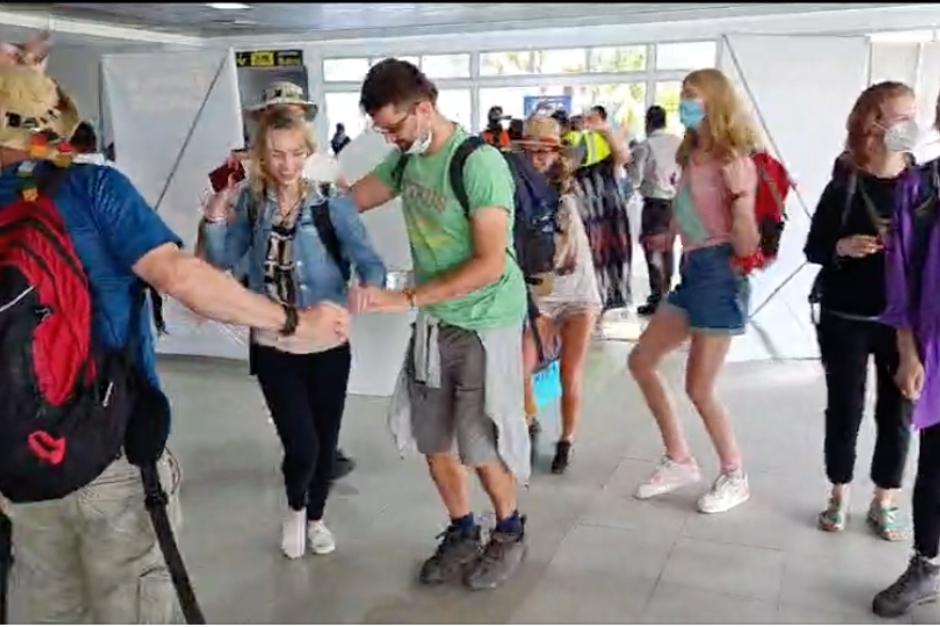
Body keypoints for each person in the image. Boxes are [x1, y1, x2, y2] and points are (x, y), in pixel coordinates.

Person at [0, 62, 347, 624]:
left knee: (46, 602)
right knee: (132, 598)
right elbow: (182, 277)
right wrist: (290, 320)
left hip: (15, 457)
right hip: (108, 447)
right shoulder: (91, 187)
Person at [349, 58, 529, 590]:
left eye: (396, 126)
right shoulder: (406, 161)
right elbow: (350, 200)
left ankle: (510, 530)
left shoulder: (477, 163)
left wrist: (403, 297)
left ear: (424, 108)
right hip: (434, 318)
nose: (390, 138)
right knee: (434, 438)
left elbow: (489, 263)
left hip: (483, 319)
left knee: (479, 440)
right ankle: (461, 530)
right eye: (381, 130)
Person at [201, 110, 385, 559]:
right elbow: (224, 259)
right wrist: (214, 217)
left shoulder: (330, 204)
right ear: (262, 156)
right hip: (273, 340)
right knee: (300, 442)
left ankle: (316, 518)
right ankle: (295, 508)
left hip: (327, 341)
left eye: (296, 153)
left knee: (324, 441)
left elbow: (369, 259)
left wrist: (366, 288)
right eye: (276, 155)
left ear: (309, 153)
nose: (287, 164)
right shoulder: (252, 203)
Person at [203, 80, 358, 480]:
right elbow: (221, 235)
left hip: (320, 301)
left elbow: (344, 223)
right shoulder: (241, 170)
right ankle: (300, 445)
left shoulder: (324, 166)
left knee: (322, 383)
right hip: (266, 295)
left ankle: (318, 448)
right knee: (283, 378)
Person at [627, 68, 760, 515]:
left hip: (722, 275)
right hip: (693, 270)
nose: (684, 102)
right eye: (682, 95)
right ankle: (679, 458)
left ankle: (734, 475)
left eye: (692, 95)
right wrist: (670, 239)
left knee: (700, 388)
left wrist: (742, 200)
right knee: (641, 360)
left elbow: (747, 244)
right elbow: (696, 215)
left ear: (715, 102)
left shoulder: (734, 159)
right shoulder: (692, 154)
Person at [805, 81, 917, 542]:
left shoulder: (922, 184)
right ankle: (839, 492)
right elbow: (814, 248)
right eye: (901, 116)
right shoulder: (845, 182)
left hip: (902, 324)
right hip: (844, 316)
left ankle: (884, 498)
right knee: (845, 408)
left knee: (898, 412)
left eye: (915, 115)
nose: (910, 126)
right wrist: (842, 246)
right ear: (873, 122)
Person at [872, 91, 940, 618]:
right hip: (934, 347)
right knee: (935, 466)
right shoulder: (921, 188)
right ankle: (927, 563)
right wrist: (907, 349)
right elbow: (900, 279)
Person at [515, 116, 602, 474]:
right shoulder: (516, 191)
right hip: (543, 295)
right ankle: (531, 422)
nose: (538, 158)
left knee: (570, 373)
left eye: (545, 150)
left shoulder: (570, 188)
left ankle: (566, 440)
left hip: (579, 293)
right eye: (532, 150)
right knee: (520, 367)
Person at [630, 105, 682, 317]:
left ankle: (657, 298)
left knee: (653, 251)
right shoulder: (678, 143)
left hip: (654, 205)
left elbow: (635, 179)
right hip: (675, 203)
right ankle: (666, 294)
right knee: (668, 250)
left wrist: (629, 162)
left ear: (648, 122)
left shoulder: (645, 146)